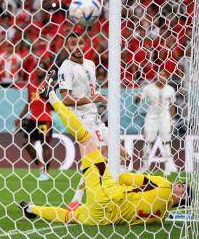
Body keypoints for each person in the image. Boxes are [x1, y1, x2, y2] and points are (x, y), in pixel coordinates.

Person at [20, 77, 190, 226]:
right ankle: (31, 209)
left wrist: (107, 166)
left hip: (109, 195)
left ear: (182, 197)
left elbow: (124, 178)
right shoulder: (160, 217)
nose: (177, 184)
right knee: (69, 217)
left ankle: (51, 96)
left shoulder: (165, 185)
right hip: (103, 219)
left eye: (181, 186)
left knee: (84, 137)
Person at [57, 32, 128, 209]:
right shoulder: (66, 67)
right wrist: (92, 99)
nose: (77, 47)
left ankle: (118, 194)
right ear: (67, 47)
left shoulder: (90, 64)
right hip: (81, 119)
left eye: (80, 42)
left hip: (95, 118)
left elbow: (91, 91)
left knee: (124, 157)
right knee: (98, 160)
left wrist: (97, 98)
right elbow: (65, 99)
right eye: (73, 43)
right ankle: (76, 201)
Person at [16, 63, 54, 181]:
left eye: (41, 68)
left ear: (45, 71)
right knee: (26, 143)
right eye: (37, 68)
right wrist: (20, 117)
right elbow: (29, 102)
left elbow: (53, 105)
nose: (38, 70)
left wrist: (46, 96)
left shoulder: (48, 85)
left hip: (45, 120)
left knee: (44, 144)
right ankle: (40, 166)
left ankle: (46, 172)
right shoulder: (31, 84)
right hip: (33, 119)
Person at [135, 69, 177, 174]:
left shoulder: (170, 89)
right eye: (160, 75)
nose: (162, 78)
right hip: (151, 117)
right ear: (156, 76)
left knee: (166, 141)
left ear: (166, 77)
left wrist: (172, 120)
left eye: (164, 76)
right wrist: (137, 98)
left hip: (165, 117)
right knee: (148, 141)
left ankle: (169, 167)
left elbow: (172, 105)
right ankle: (145, 167)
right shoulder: (148, 88)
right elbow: (137, 101)